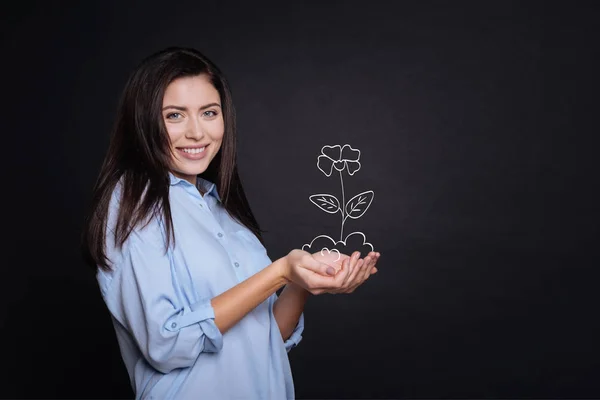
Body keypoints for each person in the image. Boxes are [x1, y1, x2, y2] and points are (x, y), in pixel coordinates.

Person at [81, 46, 380, 399]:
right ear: (143, 121)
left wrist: (301, 281)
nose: (197, 132)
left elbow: (268, 337)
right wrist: (281, 271)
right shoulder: (132, 201)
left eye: (209, 112)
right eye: (174, 116)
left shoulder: (222, 210)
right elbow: (166, 342)